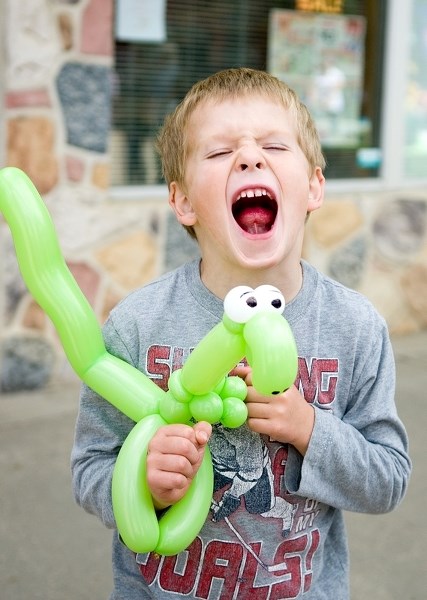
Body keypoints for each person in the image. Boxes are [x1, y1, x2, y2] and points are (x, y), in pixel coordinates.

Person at [71, 67, 411, 599]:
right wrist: (141, 482)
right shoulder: (138, 323)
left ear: (314, 186)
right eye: (217, 152)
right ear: (182, 200)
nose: (250, 157)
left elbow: (387, 480)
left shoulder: (355, 326)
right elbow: (91, 467)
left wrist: (308, 427)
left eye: (274, 145)